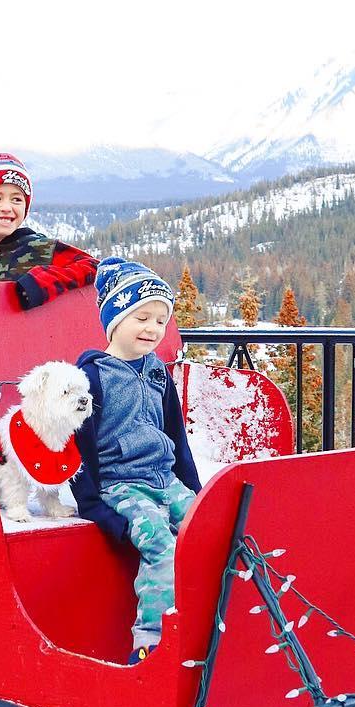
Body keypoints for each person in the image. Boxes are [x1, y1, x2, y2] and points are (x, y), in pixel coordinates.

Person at [71, 257, 202, 663]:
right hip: (121, 486)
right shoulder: (91, 377)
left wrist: (197, 492)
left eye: (161, 321)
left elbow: (176, 437)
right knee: (162, 548)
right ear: (115, 319)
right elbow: (77, 446)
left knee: (212, 532)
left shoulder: (158, 372)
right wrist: (96, 508)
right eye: (141, 317)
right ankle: (150, 646)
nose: (152, 329)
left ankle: (211, 633)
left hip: (166, 479)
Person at [0, 152, 98, 308]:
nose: (6, 207)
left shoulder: (43, 249)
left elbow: (95, 266)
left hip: (36, 332)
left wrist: (45, 280)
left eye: (16, 199)